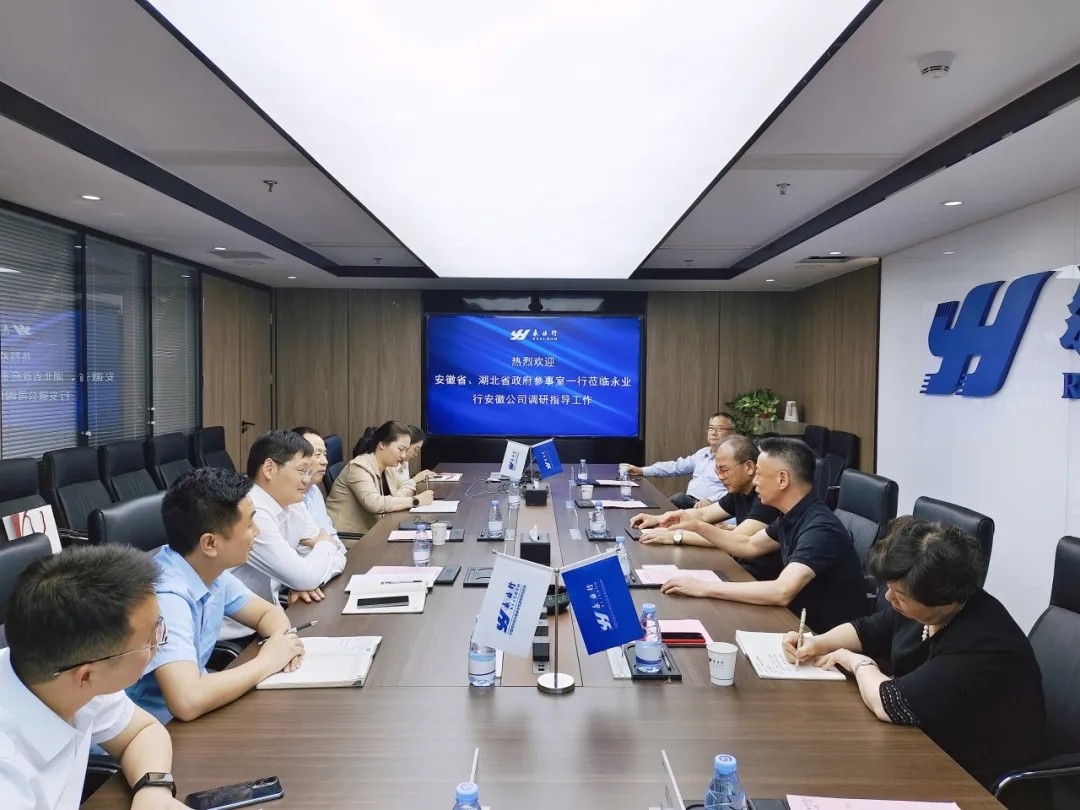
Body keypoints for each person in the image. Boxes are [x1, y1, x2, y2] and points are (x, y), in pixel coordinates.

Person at [783, 517, 1045, 789]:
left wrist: (856, 662)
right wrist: (817, 643)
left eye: (899, 595)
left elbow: (891, 703)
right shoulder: (924, 607)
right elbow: (869, 630)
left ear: (944, 603)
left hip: (970, 776)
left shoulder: (982, 644)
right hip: (922, 743)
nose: (888, 598)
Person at [0, 545, 187, 809]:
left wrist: (153, 791)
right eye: (150, 640)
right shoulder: (7, 775)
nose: (159, 643)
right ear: (86, 676)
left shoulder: (64, 677)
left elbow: (142, 732)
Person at [126, 467, 306, 724]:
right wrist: (268, 661)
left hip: (198, 710)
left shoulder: (205, 568)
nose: (257, 531)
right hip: (151, 729)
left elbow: (267, 613)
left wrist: (282, 643)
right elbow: (186, 701)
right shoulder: (168, 598)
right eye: (249, 524)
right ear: (210, 543)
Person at [660, 437, 867, 632]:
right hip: (794, 622)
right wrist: (696, 525)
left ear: (782, 479)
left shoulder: (820, 528)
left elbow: (782, 591)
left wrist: (703, 588)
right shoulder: (791, 515)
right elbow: (748, 545)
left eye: (759, 474)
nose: (755, 482)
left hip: (822, 638)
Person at [632, 434, 784, 580]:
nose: (720, 476)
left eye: (724, 470)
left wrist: (675, 536)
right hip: (740, 567)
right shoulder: (739, 491)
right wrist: (658, 519)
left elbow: (737, 539)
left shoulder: (767, 497)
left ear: (749, 467)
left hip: (757, 579)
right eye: (717, 470)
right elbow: (703, 514)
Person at [231, 429, 346, 615]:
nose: (307, 480)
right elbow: (309, 572)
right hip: (241, 627)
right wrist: (325, 545)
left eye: (309, 472)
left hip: (272, 614)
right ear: (269, 469)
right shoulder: (252, 512)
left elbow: (337, 554)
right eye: (302, 471)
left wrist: (310, 581)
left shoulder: (293, 504)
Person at [327, 421, 435, 534]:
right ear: (382, 444)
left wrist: (414, 488)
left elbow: (394, 498)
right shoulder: (359, 467)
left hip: (373, 531)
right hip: (349, 538)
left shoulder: (386, 468)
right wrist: (416, 501)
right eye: (400, 449)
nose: (403, 455)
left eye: (406, 450)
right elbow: (374, 503)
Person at [625, 412, 734, 509]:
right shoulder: (702, 453)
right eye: (711, 428)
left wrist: (712, 500)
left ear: (732, 433)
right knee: (660, 502)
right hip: (689, 502)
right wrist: (642, 470)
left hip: (713, 507)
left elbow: (736, 490)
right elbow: (676, 467)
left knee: (676, 500)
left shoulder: (733, 459)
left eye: (719, 429)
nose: (713, 432)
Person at [291, 426, 340, 545]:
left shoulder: (315, 490)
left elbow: (330, 532)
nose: (325, 461)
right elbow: (304, 549)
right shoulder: (290, 499)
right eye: (317, 454)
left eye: (325, 454)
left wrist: (340, 551)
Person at [386, 424, 434, 494]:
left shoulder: (405, 461)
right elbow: (393, 495)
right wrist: (414, 480)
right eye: (415, 449)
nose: (416, 454)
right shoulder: (390, 463)